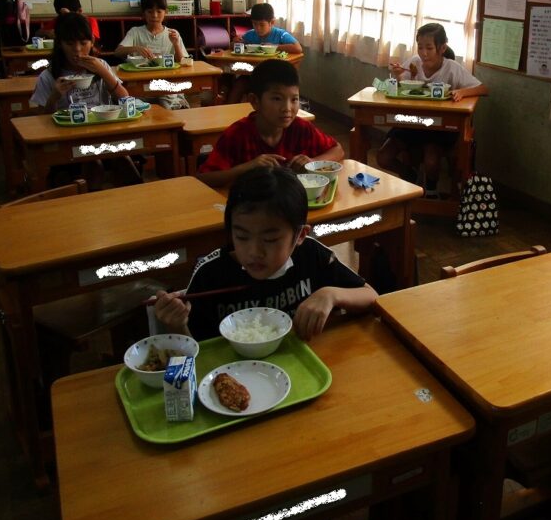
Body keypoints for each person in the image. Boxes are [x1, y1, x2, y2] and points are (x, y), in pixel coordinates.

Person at [154, 166, 377, 341]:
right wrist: (177, 325)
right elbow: (194, 348)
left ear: (300, 235)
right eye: (242, 237)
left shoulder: (311, 254)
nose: (254, 252)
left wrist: (331, 294)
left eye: (270, 240)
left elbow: (371, 296)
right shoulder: (210, 273)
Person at [378, 22, 488, 197]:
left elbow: (483, 89)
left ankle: (430, 191)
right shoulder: (414, 62)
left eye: (429, 48)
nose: (423, 53)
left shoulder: (451, 68)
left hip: (439, 129)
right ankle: (410, 176)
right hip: (411, 123)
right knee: (383, 157)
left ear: (442, 48)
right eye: (420, 47)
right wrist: (399, 75)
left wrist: (461, 92)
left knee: (431, 160)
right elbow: (401, 85)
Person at [197, 59, 344, 188]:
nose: (287, 108)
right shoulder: (237, 134)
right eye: (277, 99)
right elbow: (203, 179)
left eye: (294, 99)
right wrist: (247, 168)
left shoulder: (301, 128)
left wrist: (313, 162)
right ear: (255, 101)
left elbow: (338, 150)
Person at [30, 12, 126, 113]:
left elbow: (125, 99)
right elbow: (42, 117)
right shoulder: (48, 76)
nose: (77, 49)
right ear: (59, 44)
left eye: (83, 43)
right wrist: (54, 97)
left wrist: (103, 72)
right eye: (69, 44)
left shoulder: (101, 65)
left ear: (92, 41)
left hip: (101, 121)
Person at [115, 0, 190, 109]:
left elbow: (183, 62)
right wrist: (136, 48)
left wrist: (176, 44)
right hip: (141, 83)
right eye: (150, 12)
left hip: (167, 83)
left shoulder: (172, 34)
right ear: (143, 13)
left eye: (159, 11)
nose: (154, 15)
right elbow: (118, 52)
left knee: (166, 103)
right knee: (139, 106)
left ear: (165, 12)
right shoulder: (135, 32)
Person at [234, 2, 302, 55]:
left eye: (262, 25)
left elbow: (298, 48)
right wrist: (236, 42)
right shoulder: (250, 34)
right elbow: (234, 45)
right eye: (254, 24)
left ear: (272, 22)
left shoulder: (280, 34)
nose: (258, 28)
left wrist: (274, 47)